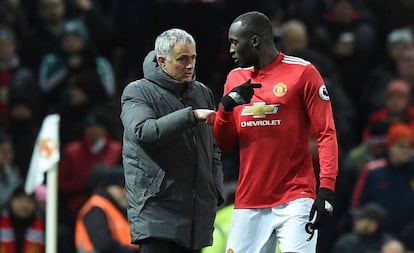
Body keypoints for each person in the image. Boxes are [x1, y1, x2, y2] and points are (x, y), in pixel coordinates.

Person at [212, 11, 339, 253]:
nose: (230, 50)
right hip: (249, 199)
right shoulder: (234, 78)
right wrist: (225, 107)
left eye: (234, 42)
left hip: (295, 197)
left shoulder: (303, 73)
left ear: (255, 41)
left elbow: (326, 133)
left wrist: (326, 190)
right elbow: (225, 142)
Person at [120, 28, 224, 253]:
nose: (190, 65)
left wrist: (215, 188)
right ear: (162, 60)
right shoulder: (138, 92)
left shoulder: (203, 92)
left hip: (196, 214)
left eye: (193, 58)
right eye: (182, 59)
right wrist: (191, 115)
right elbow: (143, 131)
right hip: (157, 211)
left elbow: (213, 148)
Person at [75, 167, 138, 253]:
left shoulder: (115, 207)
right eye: (121, 187)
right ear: (108, 187)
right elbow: (103, 245)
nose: (125, 192)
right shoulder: (96, 208)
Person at [0, 185, 45, 253]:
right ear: (11, 201)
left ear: (35, 204)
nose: (24, 205)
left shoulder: (46, 227)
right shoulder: (1, 222)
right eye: (20, 200)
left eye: (29, 200)